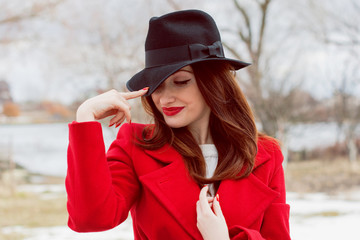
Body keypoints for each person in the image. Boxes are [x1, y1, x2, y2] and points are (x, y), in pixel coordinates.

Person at [66, 9, 290, 240]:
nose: (164, 99)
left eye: (180, 81)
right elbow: (89, 219)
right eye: (156, 86)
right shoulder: (136, 146)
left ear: (214, 82)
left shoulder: (265, 155)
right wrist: (86, 118)